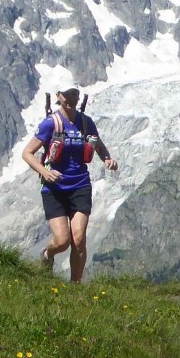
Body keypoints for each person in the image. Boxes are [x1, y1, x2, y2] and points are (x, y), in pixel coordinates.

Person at [21, 88, 117, 283]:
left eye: (74, 94)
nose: (71, 99)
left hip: (80, 184)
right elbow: (27, 153)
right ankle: (48, 254)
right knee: (63, 241)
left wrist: (107, 159)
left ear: (78, 96)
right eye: (66, 95)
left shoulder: (85, 122)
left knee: (79, 238)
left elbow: (98, 145)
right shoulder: (51, 123)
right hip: (54, 189)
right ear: (58, 97)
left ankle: (75, 286)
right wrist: (44, 172)